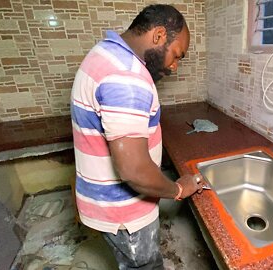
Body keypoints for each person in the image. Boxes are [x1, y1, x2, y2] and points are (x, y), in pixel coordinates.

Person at [70, 4, 204, 269]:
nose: (175, 67)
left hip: (102, 200)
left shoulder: (105, 52)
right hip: (124, 210)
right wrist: (178, 188)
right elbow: (134, 171)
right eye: (177, 55)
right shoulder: (127, 76)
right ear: (158, 35)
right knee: (145, 264)